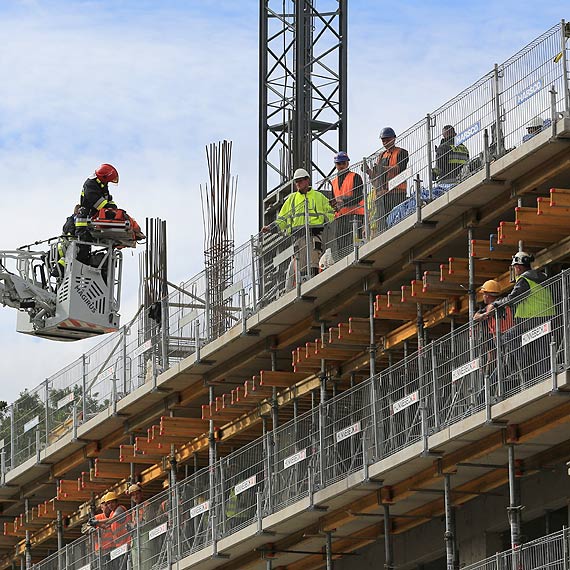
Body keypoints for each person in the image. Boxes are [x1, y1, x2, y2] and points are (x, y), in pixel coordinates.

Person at [492, 252, 555, 382]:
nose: (514, 270)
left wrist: (498, 303)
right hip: (548, 315)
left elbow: (513, 298)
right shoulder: (541, 277)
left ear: (518, 267)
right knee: (542, 349)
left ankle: (526, 367)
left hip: (532, 319)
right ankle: (544, 377)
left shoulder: (524, 279)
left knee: (509, 336)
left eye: (514, 267)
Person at [262, 168, 334, 282]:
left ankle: (313, 281)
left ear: (307, 181)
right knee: (302, 264)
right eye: (296, 181)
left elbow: (331, 212)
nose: (298, 184)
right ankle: (306, 283)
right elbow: (283, 219)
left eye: (300, 181)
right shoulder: (292, 199)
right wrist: (271, 228)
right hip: (299, 236)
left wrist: (333, 215)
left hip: (315, 234)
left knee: (314, 261)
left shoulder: (318, 196)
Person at [365, 127, 409, 233]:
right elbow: (376, 177)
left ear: (394, 138)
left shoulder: (401, 152)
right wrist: (368, 171)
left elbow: (400, 168)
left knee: (396, 220)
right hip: (382, 194)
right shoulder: (381, 156)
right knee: (383, 224)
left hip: (397, 192)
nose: (385, 142)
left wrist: (383, 169)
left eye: (387, 139)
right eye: (383, 140)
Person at [473, 280, 514, 394]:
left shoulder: (499, 303)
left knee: (505, 362)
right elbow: (475, 316)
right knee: (501, 361)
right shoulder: (488, 308)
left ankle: (489, 389)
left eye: (484, 294)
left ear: (488, 294)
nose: (483, 297)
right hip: (501, 337)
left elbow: (488, 311)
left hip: (507, 336)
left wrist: (485, 315)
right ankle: (491, 387)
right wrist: (484, 315)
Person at [75, 163, 120, 264]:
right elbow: (97, 202)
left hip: (92, 219)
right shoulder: (90, 184)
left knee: (87, 248)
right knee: (83, 249)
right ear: (104, 177)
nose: (109, 182)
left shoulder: (102, 185)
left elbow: (107, 199)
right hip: (84, 221)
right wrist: (109, 210)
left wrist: (114, 208)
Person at [330, 151, 364, 259]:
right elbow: (334, 199)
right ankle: (343, 261)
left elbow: (358, 196)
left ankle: (358, 257)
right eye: (339, 164)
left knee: (355, 242)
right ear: (336, 165)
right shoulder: (334, 182)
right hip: (341, 218)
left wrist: (344, 202)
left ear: (347, 163)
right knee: (342, 244)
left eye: (343, 163)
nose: (341, 166)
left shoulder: (355, 177)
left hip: (355, 215)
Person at [127, 483, 155, 570]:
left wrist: (134, 525)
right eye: (133, 495)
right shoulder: (134, 509)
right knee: (136, 564)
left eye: (137, 494)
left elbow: (148, 522)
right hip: (136, 540)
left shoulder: (147, 505)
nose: (135, 496)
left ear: (141, 494)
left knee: (146, 562)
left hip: (145, 538)